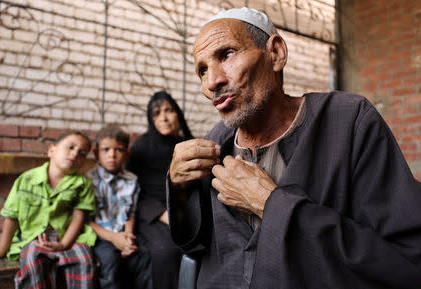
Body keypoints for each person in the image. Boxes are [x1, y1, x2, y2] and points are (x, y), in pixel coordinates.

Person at [167, 7, 421, 289]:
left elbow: (406, 264)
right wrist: (179, 188)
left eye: (226, 54)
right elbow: (194, 244)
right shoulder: (215, 143)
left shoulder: (348, 121)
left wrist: (272, 204)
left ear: (275, 54)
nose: (212, 81)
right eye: (202, 70)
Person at [0, 131, 97, 289]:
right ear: (51, 150)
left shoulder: (82, 184)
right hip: (33, 238)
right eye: (70, 147)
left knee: (83, 257)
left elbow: (79, 217)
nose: (74, 154)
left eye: (82, 153)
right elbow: (12, 216)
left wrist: (64, 244)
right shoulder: (27, 179)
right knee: (31, 257)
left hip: (68, 238)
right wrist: (1, 249)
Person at [127, 90, 193, 289]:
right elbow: (131, 189)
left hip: (184, 209)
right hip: (151, 213)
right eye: (156, 113)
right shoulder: (141, 147)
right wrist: (163, 214)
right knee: (166, 250)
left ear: (178, 115)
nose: (163, 118)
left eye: (168, 111)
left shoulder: (188, 144)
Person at [87, 124, 152, 289]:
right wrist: (113, 238)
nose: (112, 155)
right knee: (110, 261)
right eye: (106, 149)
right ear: (96, 153)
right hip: (100, 237)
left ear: (127, 154)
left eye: (118, 150)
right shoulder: (88, 181)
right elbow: (85, 221)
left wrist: (128, 236)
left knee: (145, 255)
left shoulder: (131, 181)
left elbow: (130, 212)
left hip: (123, 233)